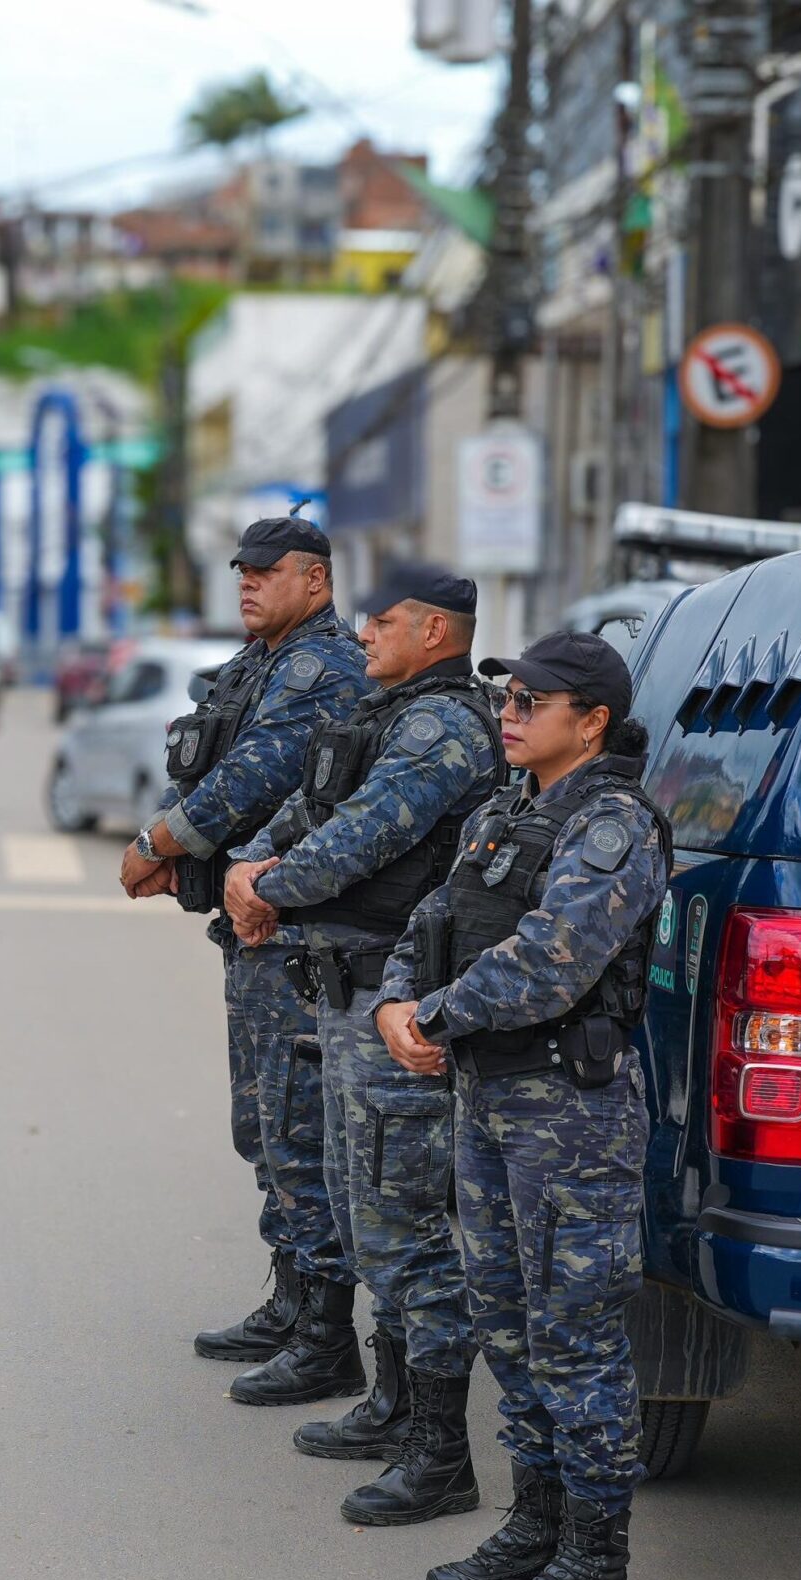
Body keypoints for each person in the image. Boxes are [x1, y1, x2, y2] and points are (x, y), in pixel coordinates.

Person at [374, 630, 672, 1580]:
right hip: (488, 1099)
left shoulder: (614, 826)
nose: (508, 711)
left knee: (575, 1339)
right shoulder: (507, 813)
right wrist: (396, 1001)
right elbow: (429, 921)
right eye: (507, 696)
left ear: (589, 721)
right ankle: (536, 1525)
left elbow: (553, 961)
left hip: (568, 1115)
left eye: (531, 701)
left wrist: (435, 1018)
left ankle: (597, 1568)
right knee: (507, 1325)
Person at [221, 564, 503, 1519]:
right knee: (362, 1206)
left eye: (383, 622)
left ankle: (440, 1458)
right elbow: (319, 811)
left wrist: (268, 886)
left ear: (434, 633)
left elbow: (366, 840)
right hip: (347, 994)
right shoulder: (389, 713)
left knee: (403, 1223)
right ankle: (391, 1404)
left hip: (396, 999)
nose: (365, 634)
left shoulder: (442, 725)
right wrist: (251, 870)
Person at [117, 514, 369, 1400]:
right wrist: (172, 837)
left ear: (318, 581)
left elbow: (252, 778)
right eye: (243, 572)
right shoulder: (259, 663)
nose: (249, 583)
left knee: (298, 1131)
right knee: (261, 1129)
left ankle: (327, 1335)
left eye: (268, 571)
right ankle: (293, 1301)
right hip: (254, 931)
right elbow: (200, 763)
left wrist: (159, 840)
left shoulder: (323, 667)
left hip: (300, 932)